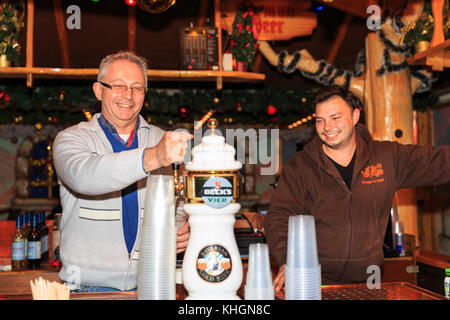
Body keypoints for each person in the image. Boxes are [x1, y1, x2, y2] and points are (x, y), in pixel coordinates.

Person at [265, 86, 450, 289]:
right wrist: (287, 260)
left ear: (355, 116)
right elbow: (278, 217)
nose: (327, 127)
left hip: (370, 281)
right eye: (320, 120)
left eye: (335, 117)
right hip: (315, 283)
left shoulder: (387, 157)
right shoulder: (300, 167)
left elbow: (438, 162)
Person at [53, 51, 193, 292]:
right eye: (118, 85)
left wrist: (182, 224)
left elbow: (180, 196)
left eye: (137, 88)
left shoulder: (161, 139)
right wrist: (152, 156)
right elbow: (84, 177)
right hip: (87, 288)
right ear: (98, 91)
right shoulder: (71, 139)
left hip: (153, 282)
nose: (128, 95)